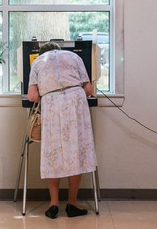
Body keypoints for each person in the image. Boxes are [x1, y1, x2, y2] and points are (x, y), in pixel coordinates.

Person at [27, 42, 97, 219]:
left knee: (54, 153)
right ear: (58, 49)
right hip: (75, 104)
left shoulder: (37, 62)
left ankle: (54, 205)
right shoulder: (74, 56)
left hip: (52, 105)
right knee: (76, 151)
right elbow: (89, 89)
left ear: (42, 53)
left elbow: (32, 96)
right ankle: (72, 204)